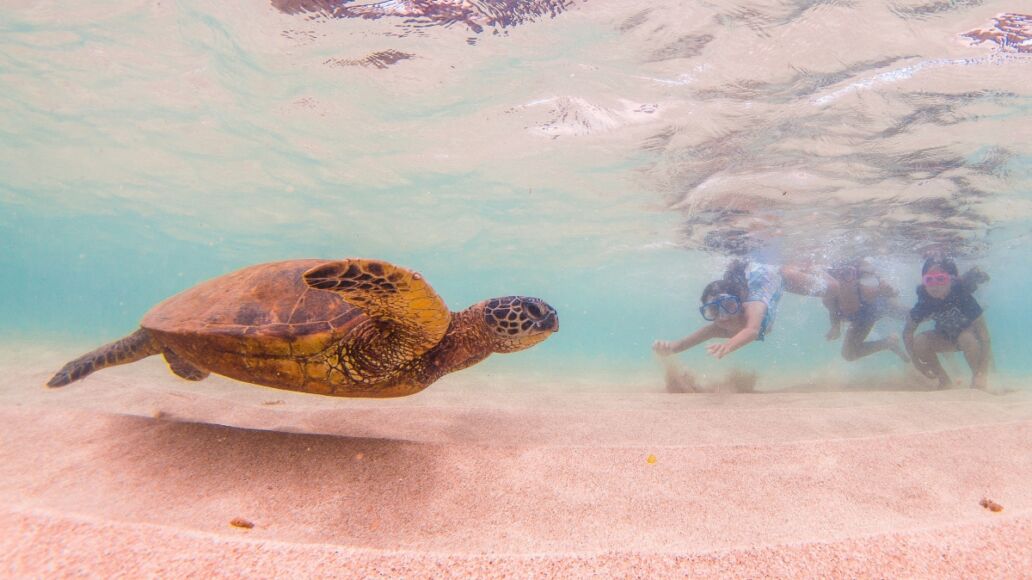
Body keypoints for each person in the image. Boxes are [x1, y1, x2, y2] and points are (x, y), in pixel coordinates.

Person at [653, 259, 810, 359]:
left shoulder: (755, 307)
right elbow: (679, 345)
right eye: (714, 310)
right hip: (752, 280)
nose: (723, 317)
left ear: (741, 304)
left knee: (825, 288)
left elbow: (752, 331)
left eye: (729, 306)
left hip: (769, 276)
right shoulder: (718, 328)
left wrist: (728, 345)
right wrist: (666, 348)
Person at [903, 257, 992, 390]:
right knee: (920, 342)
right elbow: (907, 332)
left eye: (941, 279)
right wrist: (916, 362)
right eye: (929, 280)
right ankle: (944, 381)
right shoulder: (924, 301)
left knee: (966, 338)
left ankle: (977, 379)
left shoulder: (963, 296)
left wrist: (982, 372)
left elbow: (984, 336)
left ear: (951, 279)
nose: (934, 285)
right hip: (946, 338)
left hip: (971, 338)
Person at [821, 258, 910, 363]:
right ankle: (889, 343)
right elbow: (833, 310)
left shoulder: (865, 284)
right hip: (862, 319)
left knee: (914, 316)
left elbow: (886, 288)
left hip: (877, 306)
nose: (841, 279)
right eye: (837, 275)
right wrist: (835, 327)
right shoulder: (830, 294)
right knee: (849, 354)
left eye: (846, 274)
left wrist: (891, 291)